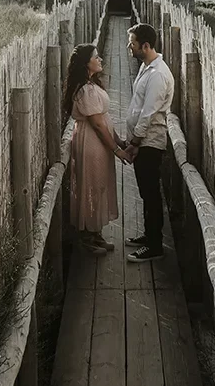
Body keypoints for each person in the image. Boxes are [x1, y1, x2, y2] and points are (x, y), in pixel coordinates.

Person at [64, 43, 126, 256]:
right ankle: (87, 237)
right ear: (85, 63)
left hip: (100, 144)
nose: (100, 60)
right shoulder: (85, 90)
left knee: (99, 186)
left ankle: (95, 232)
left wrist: (119, 140)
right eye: (96, 57)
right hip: (91, 144)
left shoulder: (92, 85)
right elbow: (98, 124)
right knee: (90, 186)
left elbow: (105, 120)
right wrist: (117, 150)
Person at [122, 22, 174, 263]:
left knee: (151, 194)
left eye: (132, 43)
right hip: (143, 141)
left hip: (150, 143)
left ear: (145, 45)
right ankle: (148, 236)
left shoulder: (158, 75)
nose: (128, 47)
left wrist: (134, 141)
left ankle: (154, 246)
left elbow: (149, 113)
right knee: (146, 192)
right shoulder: (147, 67)